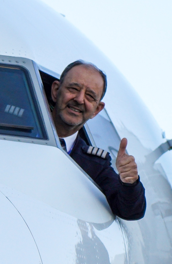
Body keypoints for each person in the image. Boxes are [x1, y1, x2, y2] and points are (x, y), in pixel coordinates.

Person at [50, 60, 146, 221]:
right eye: (73, 89)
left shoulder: (95, 166)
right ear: (55, 91)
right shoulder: (16, 129)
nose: (80, 99)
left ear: (97, 110)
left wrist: (130, 182)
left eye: (90, 96)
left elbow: (131, 211)